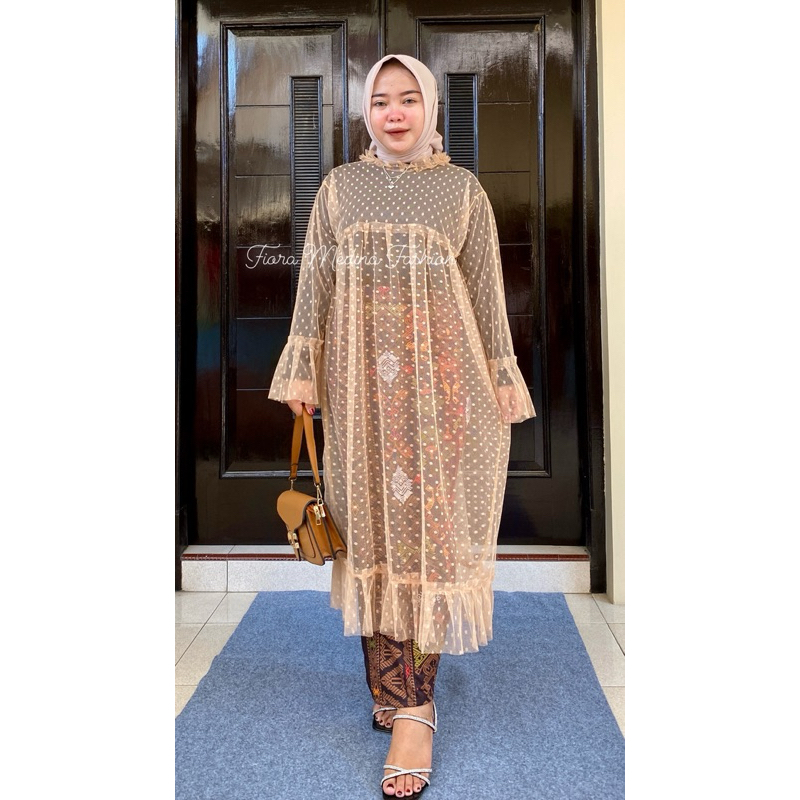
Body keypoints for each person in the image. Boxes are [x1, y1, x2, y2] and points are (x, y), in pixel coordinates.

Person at [268, 53, 536, 799]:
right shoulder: (338, 188)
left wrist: (500, 379)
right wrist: (303, 370)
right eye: (381, 99)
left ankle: (416, 709)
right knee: (373, 535)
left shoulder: (461, 191)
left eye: (409, 98)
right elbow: (315, 282)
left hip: (444, 393)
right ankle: (392, 686)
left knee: (429, 538)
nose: (394, 112)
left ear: (429, 109)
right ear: (366, 112)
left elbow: (486, 294)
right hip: (359, 393)